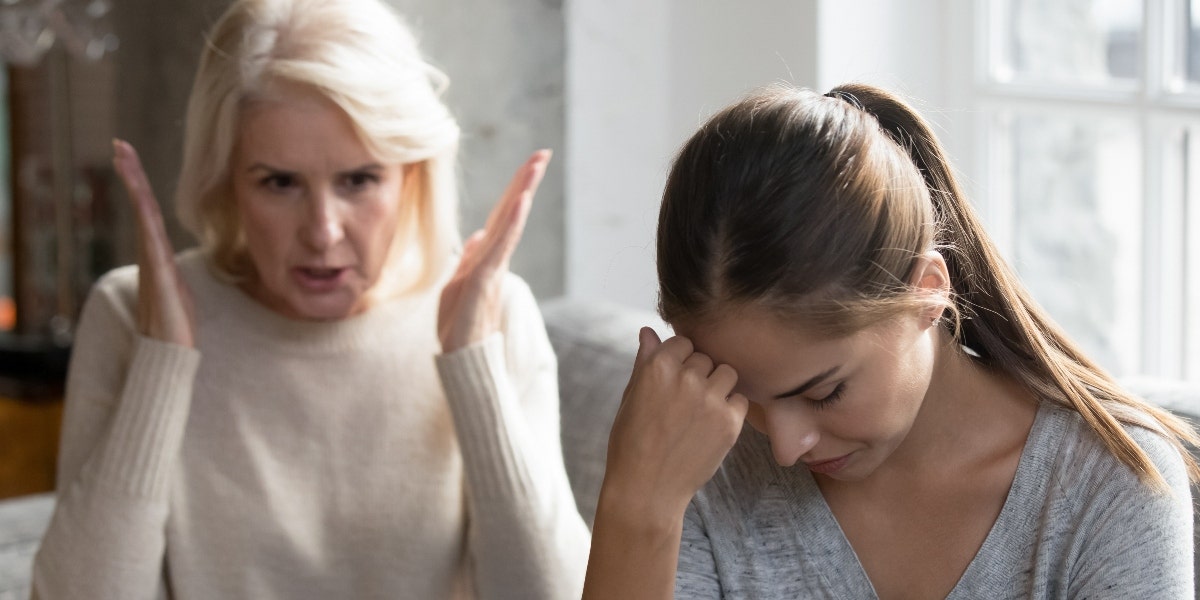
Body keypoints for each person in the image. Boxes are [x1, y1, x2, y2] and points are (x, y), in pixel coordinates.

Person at [31, 0, 590, 597]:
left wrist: (473, 365)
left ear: (412, 173)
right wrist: (163, 364)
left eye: (359, 179)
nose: (323, 231)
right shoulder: (132, 313)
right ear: (225, 181)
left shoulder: (495, 312)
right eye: (279, 182)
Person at [582, 82, 1198, 599]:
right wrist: (637, 508)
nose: (786, 447)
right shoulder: (695, 465)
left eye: (824, 392)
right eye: (745, 396)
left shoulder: (1109, 491)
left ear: (928, 291)